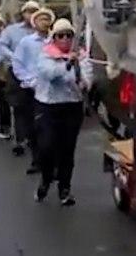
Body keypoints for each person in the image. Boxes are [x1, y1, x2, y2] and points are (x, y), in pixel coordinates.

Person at [33, 18, 92, 206]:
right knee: (47, 146)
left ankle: (65, 189)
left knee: (67, 150)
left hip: (71, 107)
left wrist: (77, 68)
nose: (65, 39)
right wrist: (66, 64)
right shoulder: (45, 55)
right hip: (48, 107)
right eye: (61, 35)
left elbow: (86, 82)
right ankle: (46, 178)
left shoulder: (82, 57)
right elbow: (50, 75)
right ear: (54, 38)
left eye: (69, 35)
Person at [11, 8, 55, 172]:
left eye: (47, 19)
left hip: (51, 90)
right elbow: (18, 64)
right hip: (31, 90)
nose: (44, 22)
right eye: (40, 19)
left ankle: (52, 163)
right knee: (32, 127)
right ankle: (36, 160)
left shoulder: (55, 41)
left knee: (51, 128)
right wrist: (30, 80)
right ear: (34, 23)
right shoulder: (26, 42)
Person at [2, 1, 41, 140]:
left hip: (37, 74)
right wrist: (15, 57)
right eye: (28, 11)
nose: (31, 14)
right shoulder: (11, 30)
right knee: (19, 107)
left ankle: (32, 137)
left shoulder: (43, 32)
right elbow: (2, 47)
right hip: (17, 73)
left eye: (34, 11)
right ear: (23, 13)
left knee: (36, 107)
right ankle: (19, 139)